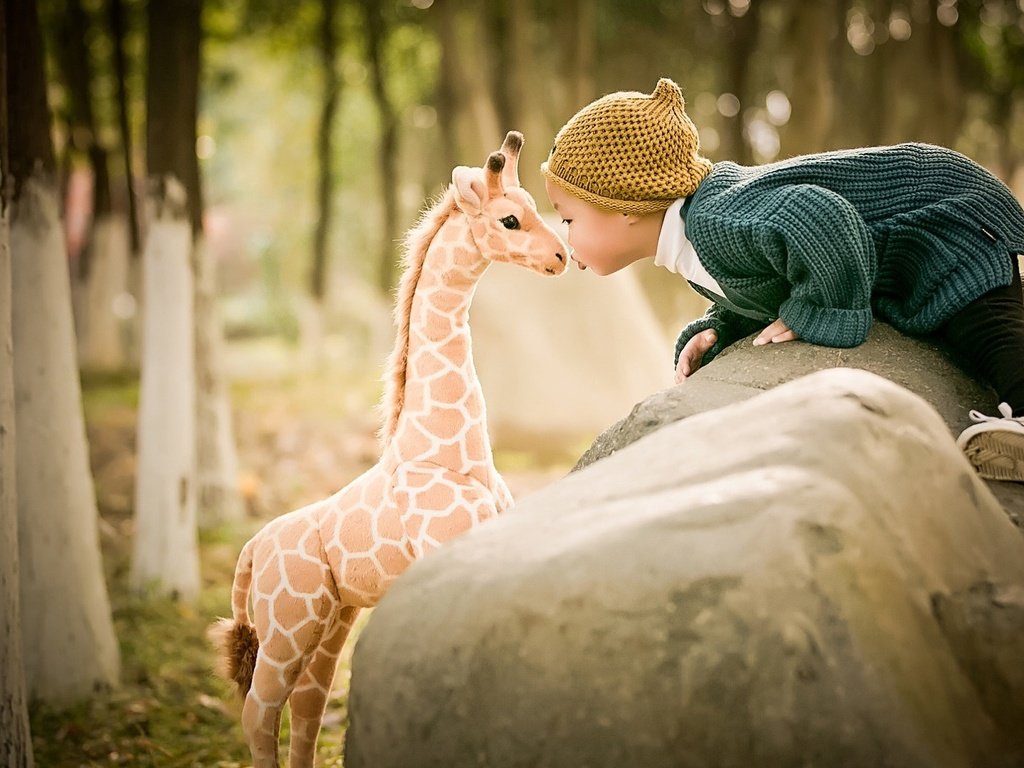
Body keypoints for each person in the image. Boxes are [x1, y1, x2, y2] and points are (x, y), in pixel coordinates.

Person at [528, 77, 1024, 482]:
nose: (564, 237)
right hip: (918, 234)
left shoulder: (716, 220)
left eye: (569, 218)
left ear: (625, 207)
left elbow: (825, 220)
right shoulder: (695, 238)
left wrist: (819, 312)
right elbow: (769, 273)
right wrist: (723, 327)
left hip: (939, 219)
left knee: (986, 325)